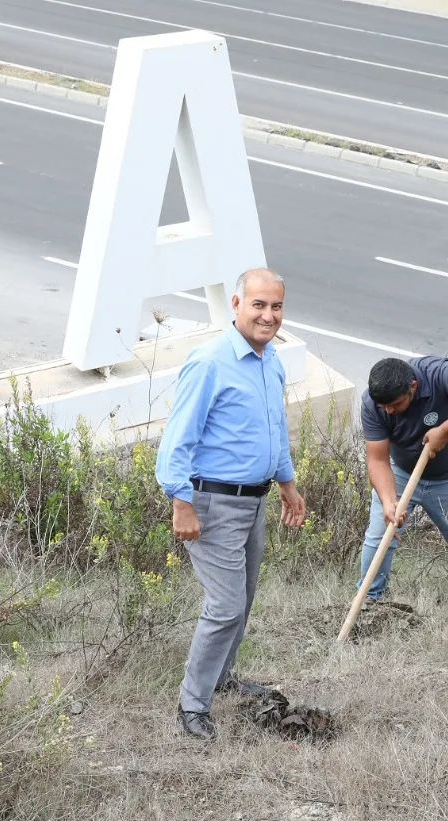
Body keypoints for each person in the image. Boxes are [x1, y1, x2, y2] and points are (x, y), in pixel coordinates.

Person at [155, 268, 306, 740]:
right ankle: (193, 704)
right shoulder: (210, 362)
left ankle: (222, 678)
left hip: (254, 502)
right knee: (224, 606)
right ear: (236, 305)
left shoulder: (269, 361)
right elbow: (177, 441)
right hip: (212, 502)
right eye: (258, 305)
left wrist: (287, 483)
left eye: (276, 306)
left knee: (242, 602)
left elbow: (274, 428)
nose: (268, 315)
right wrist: (181, 503)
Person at [357, 356, 448, 601]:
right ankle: (370, 599)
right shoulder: (373, 404)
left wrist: (445, 431)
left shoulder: (438, 373)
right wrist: (388, 501)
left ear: (412, 387)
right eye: (384, 406)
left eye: (395, 404)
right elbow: (377, 460)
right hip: (401, 474)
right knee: (379, 536)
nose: (389, 411)